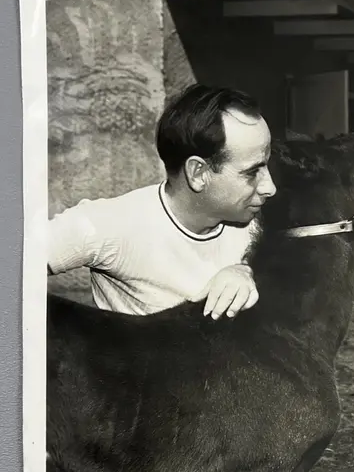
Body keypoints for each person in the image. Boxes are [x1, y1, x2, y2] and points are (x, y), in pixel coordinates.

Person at [48, 84, 277, 320]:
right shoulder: (112, 225)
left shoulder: (263, 221)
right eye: (252, 172)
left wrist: (247, 270)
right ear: (198, 174)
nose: (270, 188)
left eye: (267, 165)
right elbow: (10, 261)